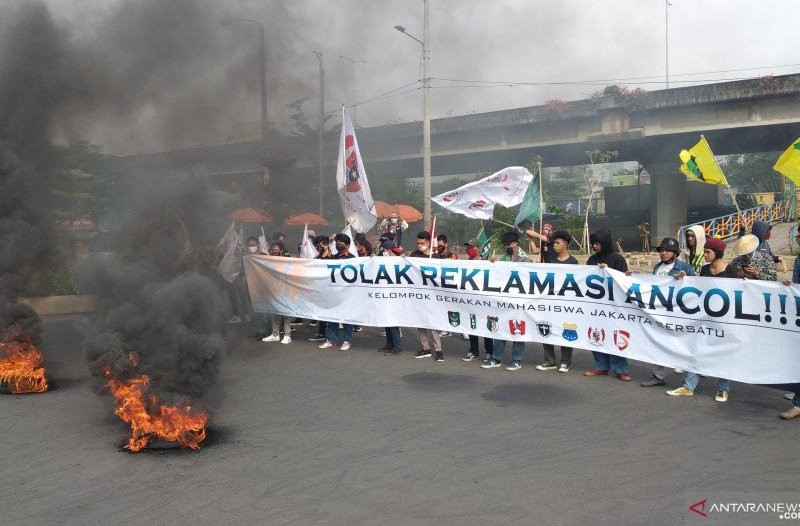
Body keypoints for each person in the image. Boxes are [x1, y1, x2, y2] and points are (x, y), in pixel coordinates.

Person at [665, 237, 732, 400]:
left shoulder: (731, 271)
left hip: (723, 321)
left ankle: (723, 389)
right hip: (704, 318)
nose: (705, 254)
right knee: (695, 349)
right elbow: (698, 288)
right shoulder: (705, 270)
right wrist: (683, 279)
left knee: (723, 354)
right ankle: (688, 386)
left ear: (717, 253)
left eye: (708, 252)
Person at [640, 237, 696, 387]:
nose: (663, 253)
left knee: (682, 343)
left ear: (675, 253)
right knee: (658, 342)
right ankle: (658, 375)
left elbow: (696, 286)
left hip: (678, 312)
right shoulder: (657, 268)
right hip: (660, 311)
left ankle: (688, 380)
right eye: (661, 250)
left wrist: (684, 280)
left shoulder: (685, 268)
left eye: (667, 251)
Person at [583, 228, 632, 381]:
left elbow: (624, 281)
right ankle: (601, 366)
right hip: (596, 304)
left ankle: (621, 369)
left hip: (614, 305)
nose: (595, 246)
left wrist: (609, 271)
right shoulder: (592, 260)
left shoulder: (617, 259)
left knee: (616, 334)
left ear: (605, 242)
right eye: (593, 244)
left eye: (598, 243)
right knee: (596, 333)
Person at [481, 231, 529, 371]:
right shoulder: (505, 258)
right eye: (505, 245)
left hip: (519, 301)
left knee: (517, 330)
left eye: (509, 244)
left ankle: (516, 360)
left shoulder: (524, 259)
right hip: (504, 301)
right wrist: (493, 264)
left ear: (516, 244)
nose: (507, 247)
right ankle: (496, 358)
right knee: (500, 328)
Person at [536, 230, 578, 373]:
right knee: (546, 328)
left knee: (566, 330)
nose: (555, 245)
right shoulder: (550, 260)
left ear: (565, 244)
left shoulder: (573, 262)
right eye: (554, 242)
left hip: (566, 303)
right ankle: (550, 360)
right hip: (550, 302)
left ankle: (565, 361)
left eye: (558, 243)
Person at [409, 231, 445, 361]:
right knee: (421, 323)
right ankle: (425, 349)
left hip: (432, 296)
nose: (419, 245)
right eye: (418, 243)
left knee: (433, 324)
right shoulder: (413, 255)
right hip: (419, 295)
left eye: (422, 243)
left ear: (428, 242)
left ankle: (438, 351)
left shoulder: (436, 257)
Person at [319, 233, 356, 351]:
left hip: (347, 294)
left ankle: (347, 340)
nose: (338, 246)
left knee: (346, 318)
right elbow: (322, 266)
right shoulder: (333, 258)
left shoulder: (354, 259)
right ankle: (331, 339)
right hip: (334, 293)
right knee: (332, 317)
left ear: (348, 245)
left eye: (341, 244)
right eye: (337, 244)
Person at [462, 237, 494, 362]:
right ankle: (474, 350)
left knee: (486, 326)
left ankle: (489, 351)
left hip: (484, 300)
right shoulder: (464, 264)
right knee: (472, 325)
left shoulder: (486, 263)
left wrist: (494, 264)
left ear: (478, 248)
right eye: (468, 247)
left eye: (471, 247)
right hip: (470, 300)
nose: (469, 249)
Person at [261, 241, 293, 344]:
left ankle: (287, 335)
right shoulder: (268, 261)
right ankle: (275, 334)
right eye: (273, 250)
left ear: (281, 250)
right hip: (273, 289)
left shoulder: (286, 260)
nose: (275, 252)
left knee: (285, 312)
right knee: (274, 312)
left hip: (284, 289)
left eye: (277, 250)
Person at [379, 240, 404, 356]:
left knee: (393, 322)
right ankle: (389, 344)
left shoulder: (398, 261)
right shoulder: (385, 261)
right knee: (387, 320)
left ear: (388, 250)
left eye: (384, 250)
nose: (383, 252)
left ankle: (396, 346)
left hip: (395, 297)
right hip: (386, 295)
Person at [308, 235, 334, 342]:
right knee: (321, 312)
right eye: (317, 245)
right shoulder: (316, 258)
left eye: (321, 245)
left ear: (327, 245)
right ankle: (322, 333)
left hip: (330, 289)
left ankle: (331, 335)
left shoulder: (333, 258)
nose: (319, 247)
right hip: (319, 289)